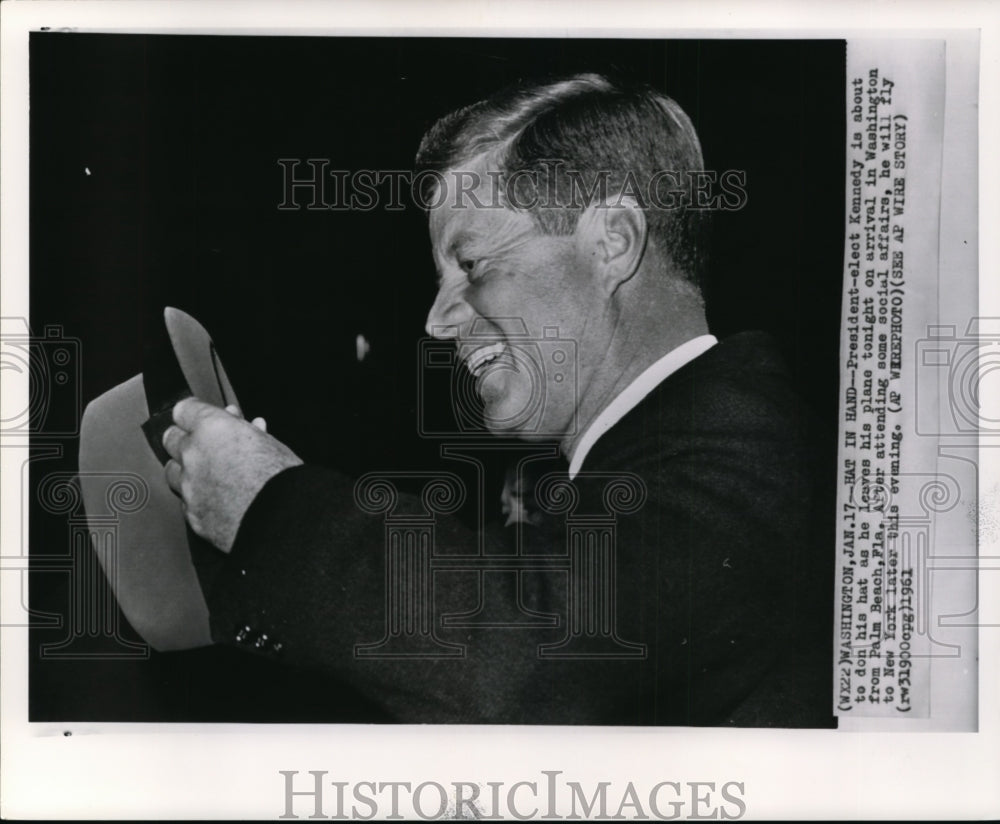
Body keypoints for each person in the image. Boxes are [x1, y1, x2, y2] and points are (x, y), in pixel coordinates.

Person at [162, 73, 833, 726]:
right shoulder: (677, 461)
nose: (436, 320)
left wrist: (270, 507)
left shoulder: (754, 443)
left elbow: (530, 659)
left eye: (472, 263)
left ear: (613, 243)